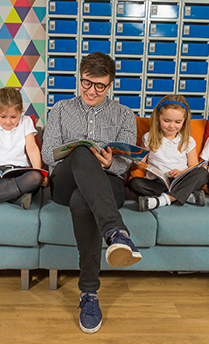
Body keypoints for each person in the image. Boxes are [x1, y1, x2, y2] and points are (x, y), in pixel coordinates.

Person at [41, 51, 140, 334]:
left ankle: (89, 294)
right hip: (65, 180)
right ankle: (117, 232)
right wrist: (75, 150)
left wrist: (112, 162)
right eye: (86, 83)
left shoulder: (124, 115)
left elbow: (125, 162)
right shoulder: (60, 109)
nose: (92, 91)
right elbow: (48, 154)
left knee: (81, 200)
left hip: (106, 183)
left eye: (100, 86)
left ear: (110, 85)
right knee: (83, 151)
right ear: (79, 77)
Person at [129, 95, 209, 211]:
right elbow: (141, 163)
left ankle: (163, 200)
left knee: (202, 172)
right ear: (158, 118)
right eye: (166, 121)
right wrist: (136, 160)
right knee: (135, 184)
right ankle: (186, 196)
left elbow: (193, 166)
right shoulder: (148, 138)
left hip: (180, 180)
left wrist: (181, 172)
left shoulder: (188, 141)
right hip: (157, 182)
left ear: (184, 121)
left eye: (178, 122)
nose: (172, 126)